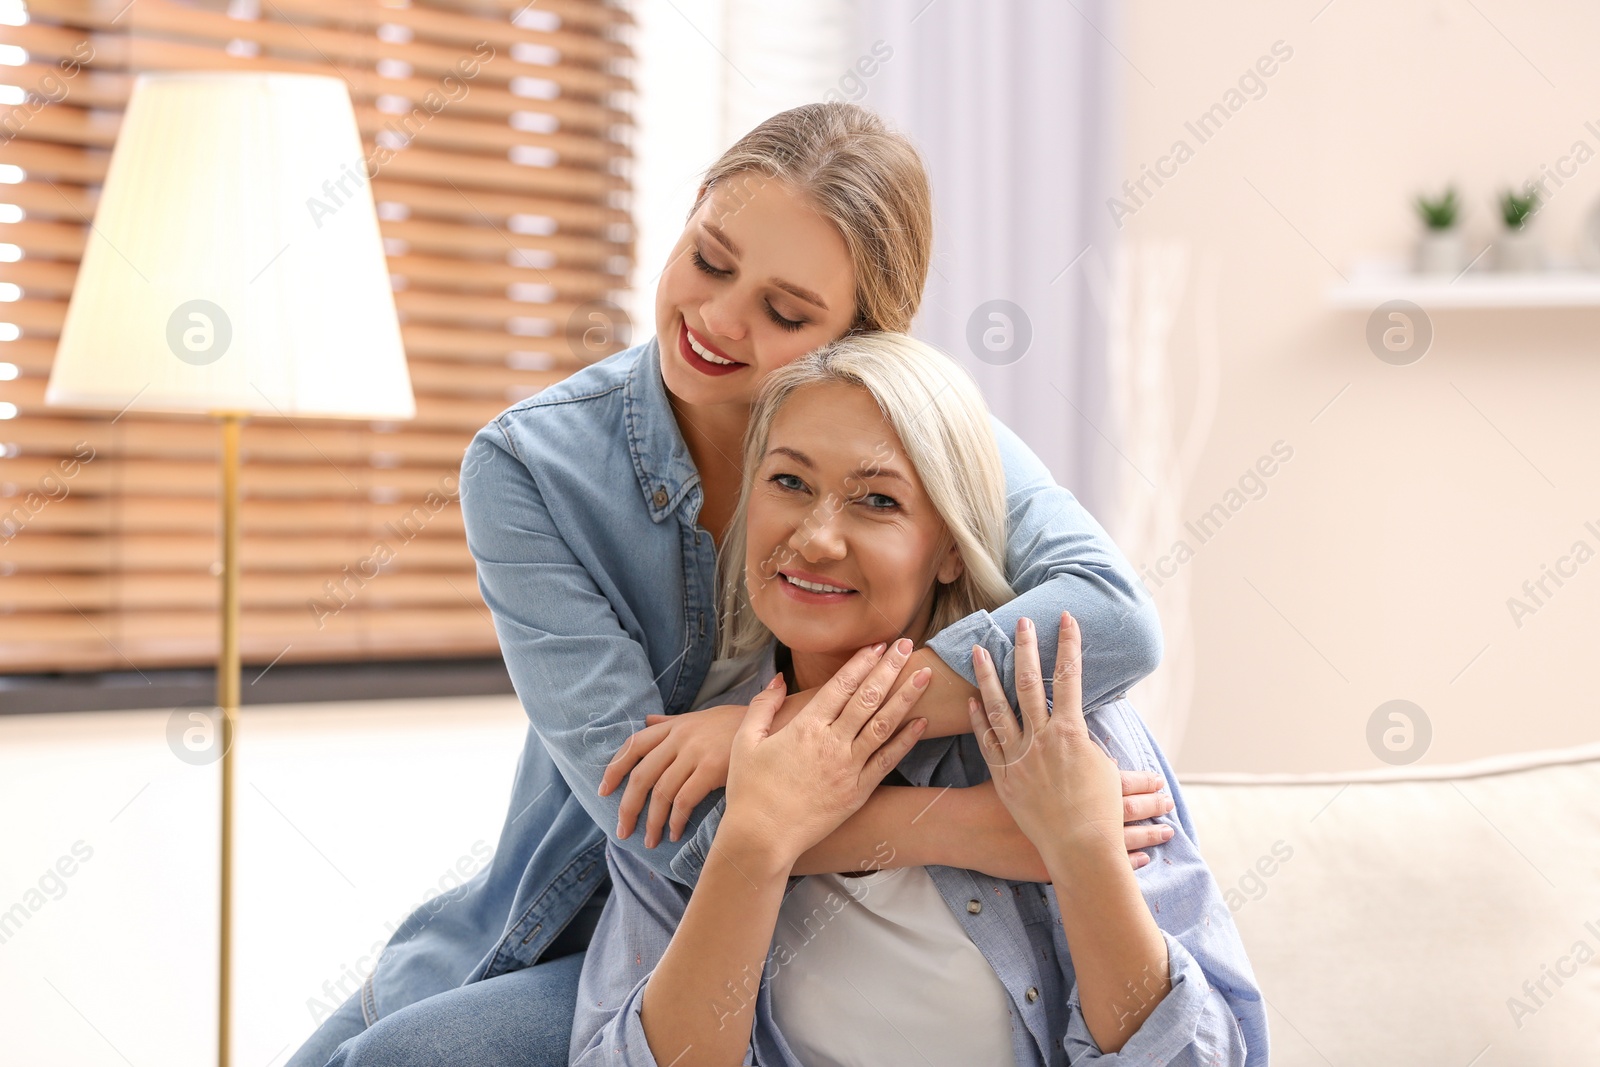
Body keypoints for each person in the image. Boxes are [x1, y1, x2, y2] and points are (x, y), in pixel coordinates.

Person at [290, 103, 1166, 1067]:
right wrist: (958, 826)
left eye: (786, 313)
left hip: (794, 934)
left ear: (858, 337)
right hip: (574, 924)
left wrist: (779, 730)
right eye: (710, 260)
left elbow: (1115, 614)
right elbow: (666, 834)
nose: (717, 319)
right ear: (694, 210)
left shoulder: (913, 440)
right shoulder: (533, 466)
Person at [570, 334, 1264, 1066]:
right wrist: (754, 841)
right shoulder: (692, 765)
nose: (815, 538)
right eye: (789, 482)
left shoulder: (1055, 725)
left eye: (877, 500)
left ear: (950, 550)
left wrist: (1084, 852)